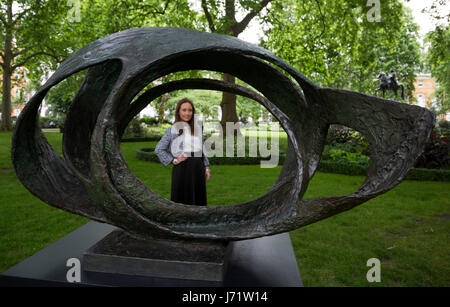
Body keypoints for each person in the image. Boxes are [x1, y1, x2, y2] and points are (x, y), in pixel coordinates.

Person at [155, 97, 210, 206]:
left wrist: (206, 167)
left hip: (198, 169)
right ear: (178, 112)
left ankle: (197, 222)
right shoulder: (171, 130)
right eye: (184, 110)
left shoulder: (198, 128)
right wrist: (173, 160)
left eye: (190, 110)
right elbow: (159, 149)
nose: (187, 113)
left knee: (198, 200)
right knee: (181, 201)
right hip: (182, 170)